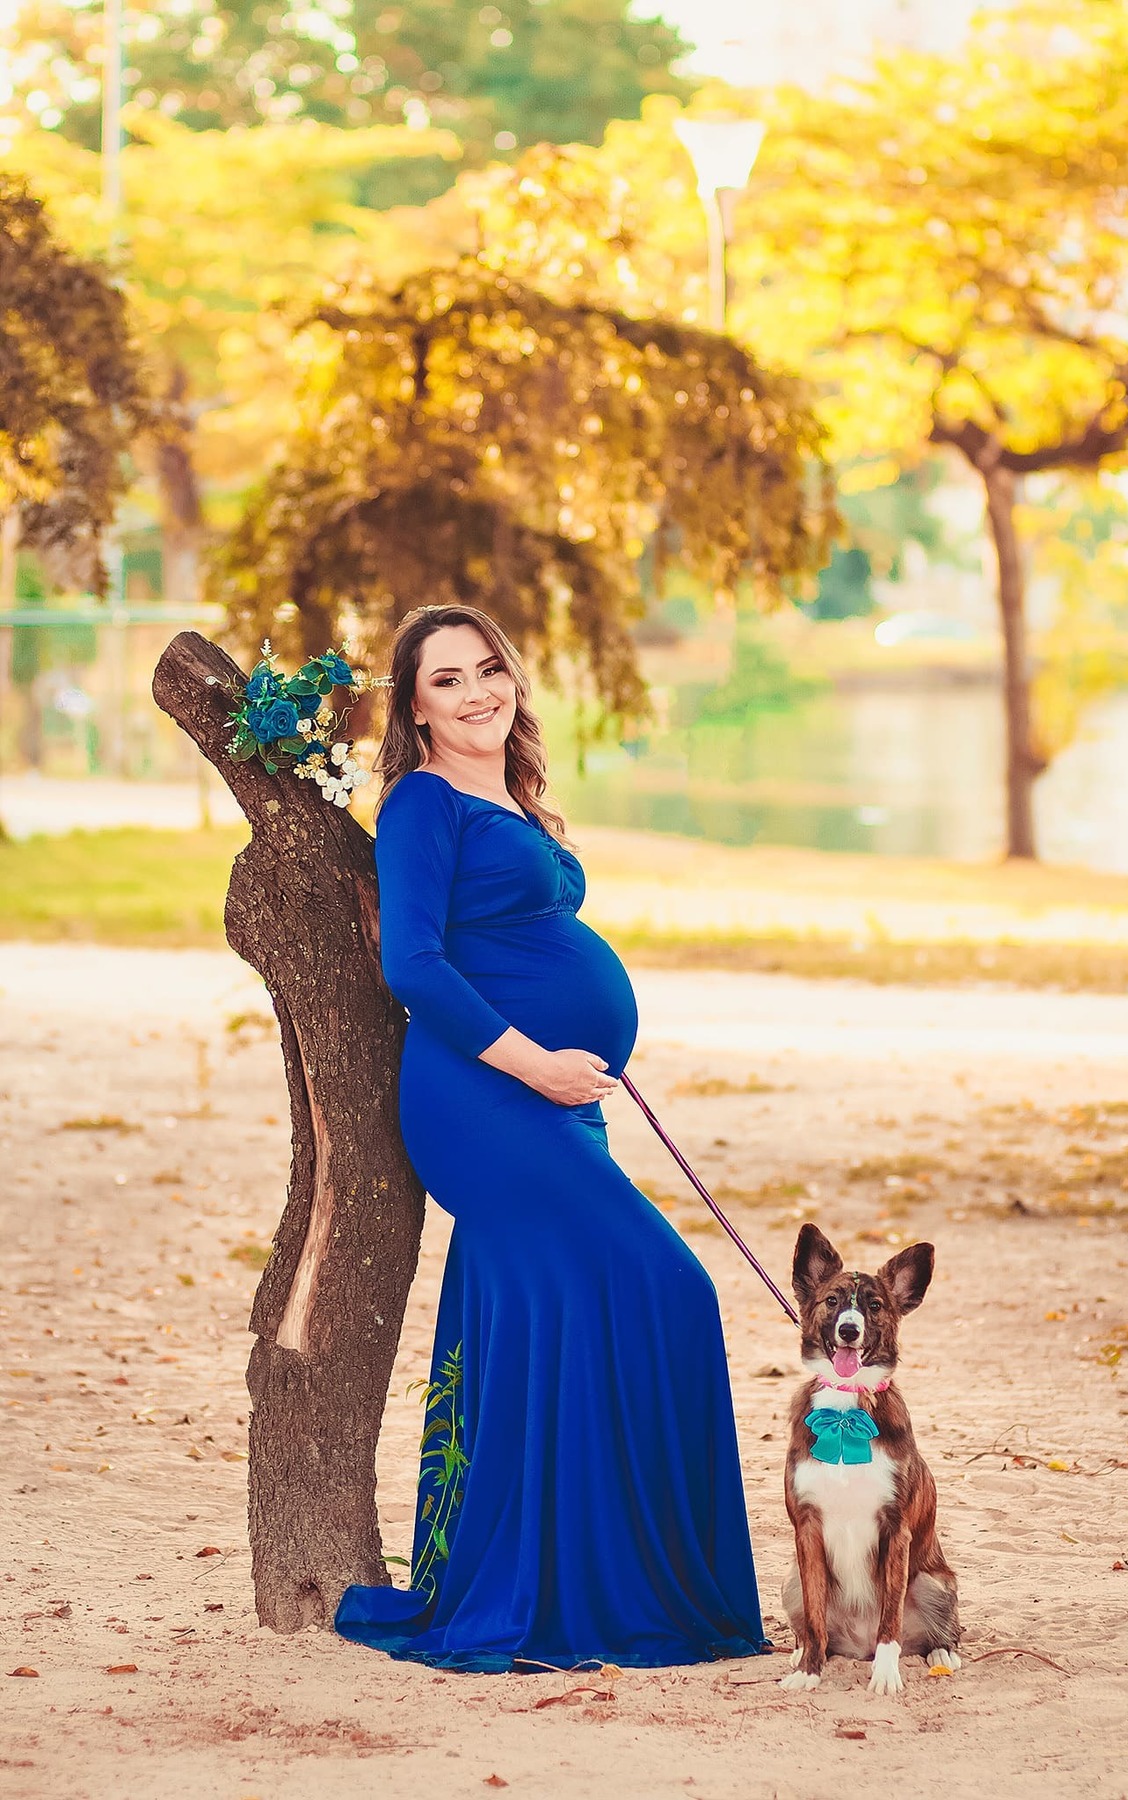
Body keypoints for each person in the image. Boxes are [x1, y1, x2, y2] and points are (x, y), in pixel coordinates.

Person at [334, 603, 768, 1673]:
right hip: (483, 1100)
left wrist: (570, 1069)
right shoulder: (422, 803)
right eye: (446, 680)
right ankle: (590, 1587)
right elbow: (413, 964)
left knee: (548, 1317)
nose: (476, 692)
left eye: (488, 669)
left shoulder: (512, 795)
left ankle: (568, 1578)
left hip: (560, 1101)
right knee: (669, 1288)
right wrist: (536, 1062)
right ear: (415, 709)